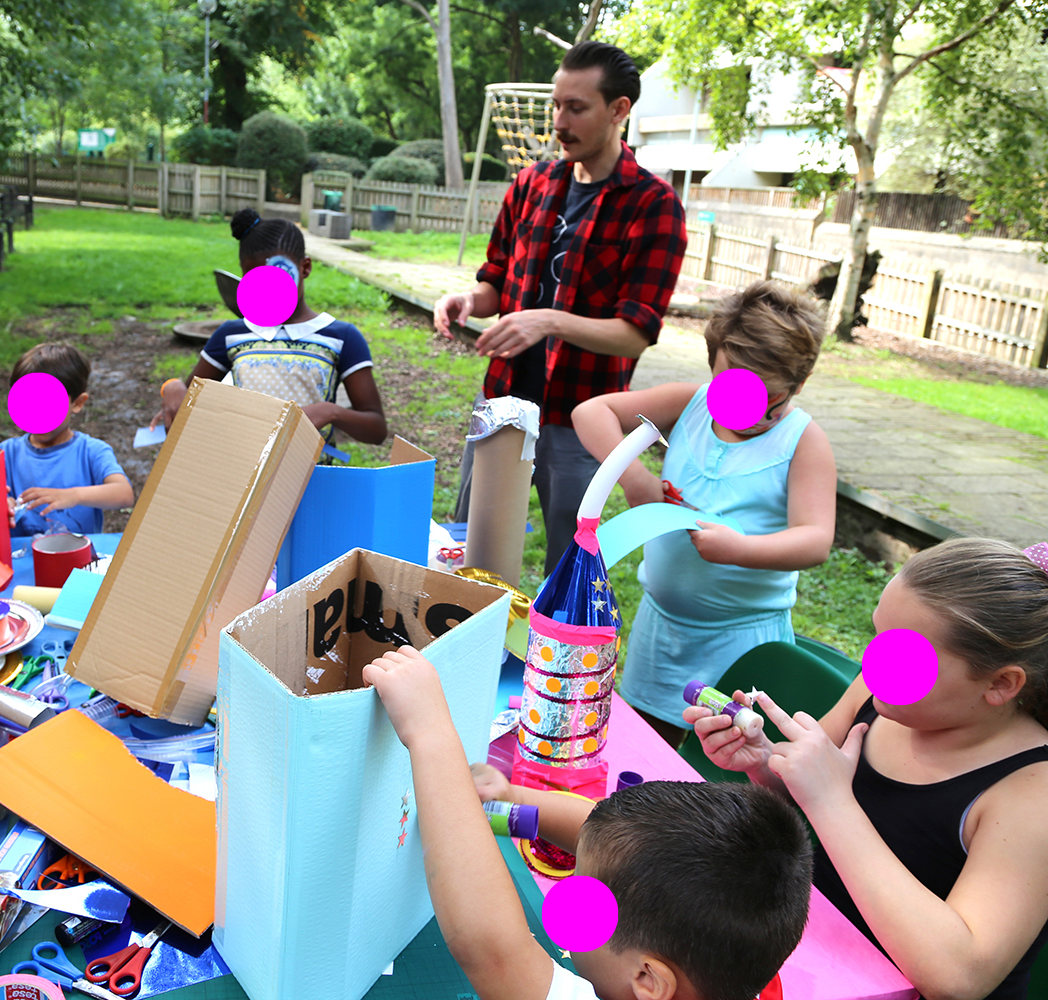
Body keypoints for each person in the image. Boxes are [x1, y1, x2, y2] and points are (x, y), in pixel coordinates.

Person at [686, 537, 1048, 1000]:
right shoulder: (879, 693)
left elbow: (960, 976)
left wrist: (831, 800)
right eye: (878, 636)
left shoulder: (1031, 792)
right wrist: (765, 764)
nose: (875, 663)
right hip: (810, 957)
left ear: (1001, 683)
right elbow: (809, 792)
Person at [362, 644, 813, 1000]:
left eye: (584, 898)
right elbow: (607, 834)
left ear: (649, 980)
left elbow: (492, 949)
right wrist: (514, 798)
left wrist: (429, 732)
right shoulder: (741, 967)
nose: (566, 897)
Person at [432, 40, 686, 573]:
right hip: (502, 402)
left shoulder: (654, 205)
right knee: (469, 550)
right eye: (556, 105)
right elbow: (497, 282)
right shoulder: (532, 184)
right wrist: (468, 300)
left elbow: (634, 333)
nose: (559, 122)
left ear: (618, 110)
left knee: (567, 566)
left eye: (576, 107)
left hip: (581, 417)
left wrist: (547, 322)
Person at [572, 281, 836, 746]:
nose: (741, 412)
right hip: (660, 631)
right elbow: (591, 412)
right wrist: (635, 477)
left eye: (763, 401)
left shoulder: (801, 441)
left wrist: (741, 550)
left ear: (798, 384)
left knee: (725, 753)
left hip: (742, 640)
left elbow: (815, 539)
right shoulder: (691, 404)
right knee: (644, 744)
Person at [156, 208, 388, 446]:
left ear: (305, 267)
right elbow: (187, 402)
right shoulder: (231, 334)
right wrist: (171, 386)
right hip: (244, 466)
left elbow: (377, 430)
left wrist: (330, 412)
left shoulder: (341, 337)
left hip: (313, 469)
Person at [2, 342, 134, 536]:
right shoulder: (6, 453)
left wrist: (73, 495)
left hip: (78, 553)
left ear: (78, 403)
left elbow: (124, 494)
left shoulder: (91, 451)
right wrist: (2, 504)